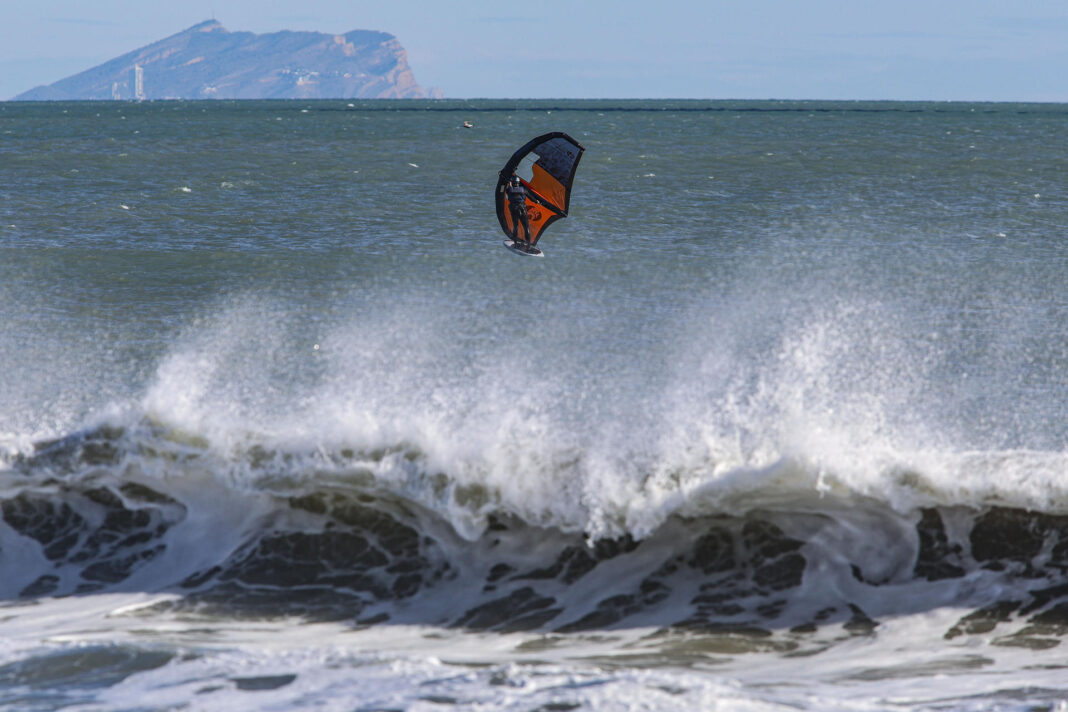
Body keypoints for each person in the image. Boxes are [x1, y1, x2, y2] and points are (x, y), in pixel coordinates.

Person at [505, 174, 533, 250]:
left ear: (512, 183)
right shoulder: (523, 189)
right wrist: (538, 201)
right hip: (522, 209)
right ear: (518, 183)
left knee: (516, 226)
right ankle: (528, 246)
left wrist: (508, 182)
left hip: (514, 209)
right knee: (526, 227)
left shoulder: (509, 190)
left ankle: (516, 243)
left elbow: (505, 188)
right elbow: (532, 198)